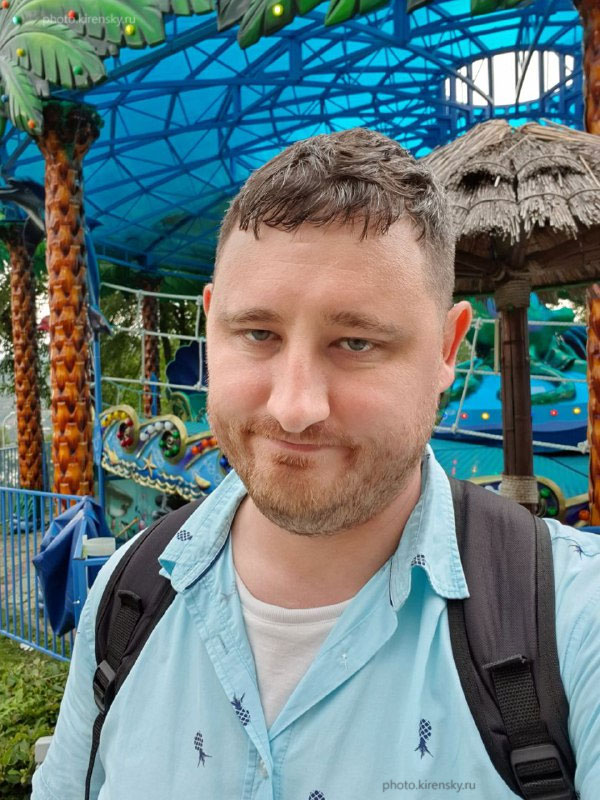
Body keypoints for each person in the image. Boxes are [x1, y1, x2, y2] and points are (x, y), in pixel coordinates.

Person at [32, 128, 600, 800]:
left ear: (449, 349)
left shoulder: (572, 620)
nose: (295, 407)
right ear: (211, 326)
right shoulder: (125, 598)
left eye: (355, 342)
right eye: (258, 333)